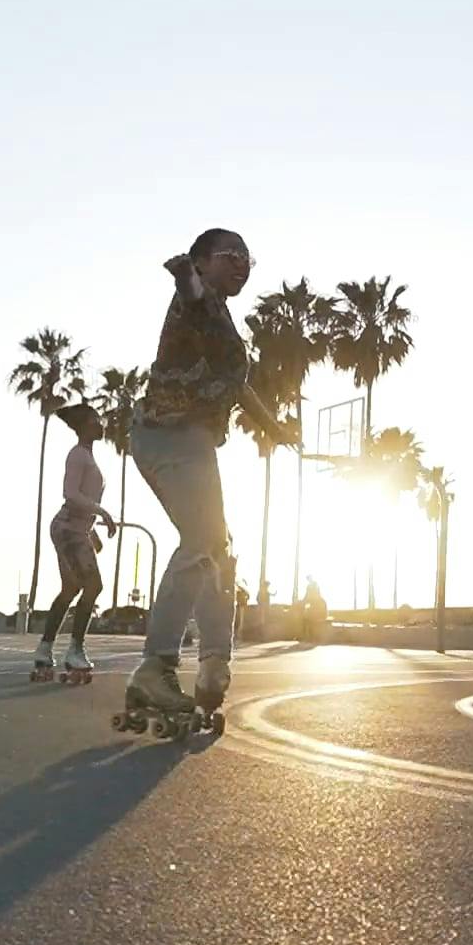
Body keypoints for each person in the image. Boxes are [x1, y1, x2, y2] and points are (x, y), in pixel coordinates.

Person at [127, 228, 296, 720]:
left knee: (218, 551)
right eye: (231, 255)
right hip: (169, 434)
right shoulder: (196, 301)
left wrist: (275, 428)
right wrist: (184, 274)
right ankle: (155, 666)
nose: (242, 264)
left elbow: (237, 386)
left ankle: (214, 665)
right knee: (201, 541)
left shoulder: (223, 318)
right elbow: (191, 297)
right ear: (202, 262)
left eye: (248, 259)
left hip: (192, 442)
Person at [33, 403, 116, 682]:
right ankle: (75, 650)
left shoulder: (87, 456)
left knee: (70, 589)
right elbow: (70, 493)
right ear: (83, 427)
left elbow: (83, 500)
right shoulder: (78, 455)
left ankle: (45, 648)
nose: (100, 424)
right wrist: (102, 512)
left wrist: (92, 532)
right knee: (93, 586)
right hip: (68, 529)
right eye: (94, 420)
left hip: (76, 529)